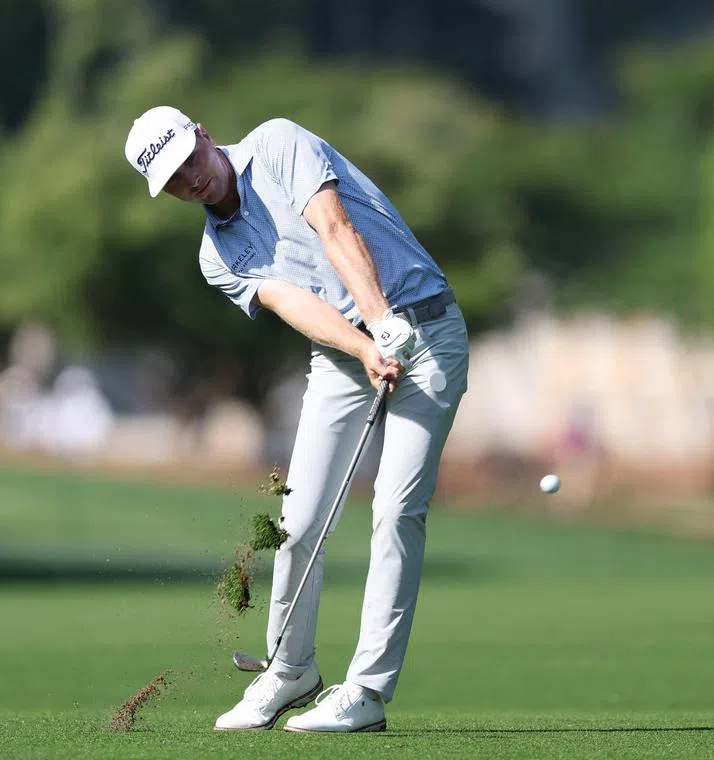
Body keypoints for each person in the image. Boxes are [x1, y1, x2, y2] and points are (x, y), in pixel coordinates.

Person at [124, 106, 469, 733]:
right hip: (343, 355)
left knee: (395, 510)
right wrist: (363, 345)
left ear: (203, 134)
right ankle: (289, 669)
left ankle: (366, 691)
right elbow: (292, 300)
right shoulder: (216, 255)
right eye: (173, 180)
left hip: (424, 329)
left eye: (189, 161)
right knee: (298, 520)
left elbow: (334, 227)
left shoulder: (277, 143)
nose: (191, 180)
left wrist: (380, 319)